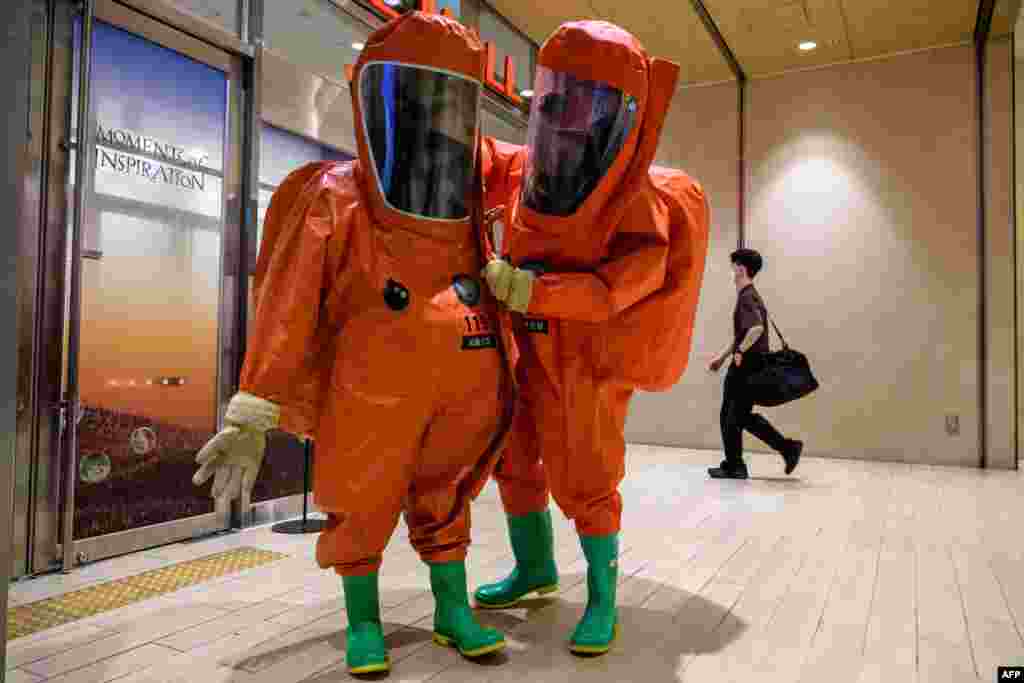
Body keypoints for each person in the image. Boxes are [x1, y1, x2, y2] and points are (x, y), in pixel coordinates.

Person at [190, 12, 515, 675]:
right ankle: (363, 619)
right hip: (369, 395)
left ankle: (452, 609)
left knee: (445, 495)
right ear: (381, 100)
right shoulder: (336, 197)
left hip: (459, 392)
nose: (436, 120)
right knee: (360, 501)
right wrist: (255, 408)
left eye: (448, 100)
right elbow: (287, 303)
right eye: (421, 98)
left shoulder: (470, 201)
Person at [473, 21, 711, 655]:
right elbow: (490, 160)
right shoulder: (530, 167)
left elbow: (627, 282)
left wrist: (535, 292)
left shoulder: (636, 197)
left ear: (614, 109)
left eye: (583, 96)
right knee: (513, 457)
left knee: (588, 473)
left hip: (585, 359)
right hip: (522, 349)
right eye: (556, 92)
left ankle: (603, 598)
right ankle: (535, 568)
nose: (564, 109)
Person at [707, 248, 803, 479]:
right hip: (748, 364)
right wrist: (722, 357)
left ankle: (739, 464)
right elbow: (744, 333)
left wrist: (739, 351)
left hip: (747, 366)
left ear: (741, 268)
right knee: (736, 415)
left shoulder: (747, 296)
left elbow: (756, 328)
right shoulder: (749, 295)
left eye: (733, 266)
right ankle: (784, 449)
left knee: (732, 415)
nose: (731, 271)